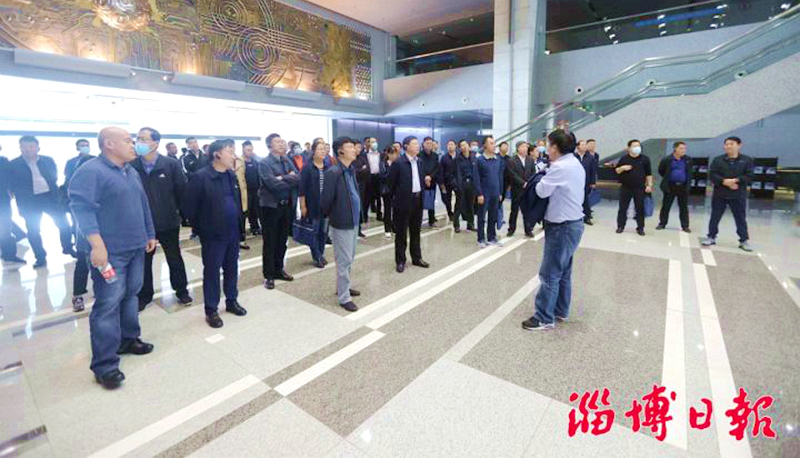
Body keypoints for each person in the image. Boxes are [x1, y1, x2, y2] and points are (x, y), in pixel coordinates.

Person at [69, 126, 157, 389]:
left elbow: (142, 204)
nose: (134, 145)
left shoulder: (130, 171)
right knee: (108, 304)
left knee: (131, 294)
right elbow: (82, 210)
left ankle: (128, 339)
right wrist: (97, 245)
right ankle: (105, 365)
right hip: (111, 252)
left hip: (135, 247)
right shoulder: (91, 172)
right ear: (109, 144)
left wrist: (149, 233)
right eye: (128, 141)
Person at [522, 129, 585, 331]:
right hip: (573, 223)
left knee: (549, 273)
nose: (546, 148)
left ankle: (543, 317)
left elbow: (541, 191)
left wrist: (540, 176)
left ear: (555, 147)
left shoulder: (559, 167)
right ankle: (560, 310)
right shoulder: (575, 163)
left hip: (561, 226)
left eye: (548, 145)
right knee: (563, 271)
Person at [183, 139, 248, 328]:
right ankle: (211, 310)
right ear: (217, 154)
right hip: (212, 235)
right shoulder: (201, 177)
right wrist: (203, 228)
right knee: (212, 272)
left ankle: (231, 301)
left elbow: (235, 201)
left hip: (232, 231)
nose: (233, 156)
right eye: (230, 151)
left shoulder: (230, 175)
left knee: (232, 268)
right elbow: (189, 208)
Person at [130, 127, 193, 311]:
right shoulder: (132, 165)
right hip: (142, 224)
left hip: (168, 221)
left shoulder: (170, 164)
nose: (139, 142)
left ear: (155, 143)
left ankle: (181, 291)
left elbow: (182, 191)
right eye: (138, 138)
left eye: (144, 139)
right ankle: (144, 295)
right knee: (144, 262)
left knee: (174, 257)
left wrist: (180, 215)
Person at [7, 136, 76, 268]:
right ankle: (40, 257)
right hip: (29, 202)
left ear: (38, 147)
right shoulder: (13, 164)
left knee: (64, 225)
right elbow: (11, 184)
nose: (27, 150)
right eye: (24, 147)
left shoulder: (48, 160)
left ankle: (67, 247)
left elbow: (54, 176)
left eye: (31, 146)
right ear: (20, 148)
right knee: (33, 231)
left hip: (50, 198)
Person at [321, 137, 362, 312]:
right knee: (344, 260)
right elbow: (325, 201)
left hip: (353, 221)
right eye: (350, 147)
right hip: (341, 223)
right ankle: (344, 297)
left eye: (354, 147)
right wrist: (333, 218)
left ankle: (344, 287)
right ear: (340, 151)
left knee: (349, 258)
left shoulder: (350, 170)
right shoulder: (334, 172)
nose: (354, 149)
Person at [259, 133, 299, 290]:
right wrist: (288, 177)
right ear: (269, 146)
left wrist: (282, 178)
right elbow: (272, 184)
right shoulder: (264, 163)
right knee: (270, 242)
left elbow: (298, 178)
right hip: (270, 207)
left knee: (282, 240)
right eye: (278, 142)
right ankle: (269, 275)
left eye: (283, 141)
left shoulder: (286, 160)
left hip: (286, 205)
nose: (282, 144)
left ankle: (278, 269)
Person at [702, 137, 755, 251]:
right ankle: (711, 236)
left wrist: (736, 180)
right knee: (715, 216)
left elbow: (750, 176)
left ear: (739, 145)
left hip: (738, 194)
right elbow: (712, 174)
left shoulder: (746, 160)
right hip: (720, 193)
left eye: (731, 144)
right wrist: (724, 181)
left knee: (740, 218)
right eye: (726, 144)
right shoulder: (718, 160)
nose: (728, 146)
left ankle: (743, 240)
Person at [389, 136, 430, 273]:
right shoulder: (398, 163)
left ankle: (417, 258)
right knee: (401, 233)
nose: (418, 146)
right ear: (406, 146)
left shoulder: (420, 162)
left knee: (416, 231)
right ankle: (400, 260)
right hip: (403, 202)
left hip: (418, 200)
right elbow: (391, 184)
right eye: (414, 144)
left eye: (418, 144)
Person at [65, 141, 96, 312]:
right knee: (83, 263)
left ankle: (103, 291)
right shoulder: (77, 190)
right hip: (85, 235)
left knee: (103, 265)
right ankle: (77, 295)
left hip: (104, 235)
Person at [300, 139, 330, 268]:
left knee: (323, 233)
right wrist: (303, 206)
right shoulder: (307, 167)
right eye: (320, 149)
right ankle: (316, 256)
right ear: (313, 151)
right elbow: (302, 189)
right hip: (312, 205)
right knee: (314, 232)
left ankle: (321, 254)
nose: (323, 151)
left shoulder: (328, 167)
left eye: (324, 149)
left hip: (326, 206)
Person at [615, 140, 653, 236]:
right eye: (635, 146)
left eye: (638, 146)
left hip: (639, 188)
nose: (637, 148)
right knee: (623, 208)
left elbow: (649, 174)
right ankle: (620, 226)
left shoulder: (645, 159)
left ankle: (640, 227)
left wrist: (649, 185)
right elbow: (617, 170)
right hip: (626, 187)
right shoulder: (624, 159)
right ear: (629, 148)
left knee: (640, 208)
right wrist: (623, 168)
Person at [474, 136, 505, 248]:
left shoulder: (498, 160)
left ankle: (492, 237)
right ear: (485, 146)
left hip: (495, 193)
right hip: (484, 193)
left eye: (494, 143)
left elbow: (500, 177)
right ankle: (481, 238)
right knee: (481, 217)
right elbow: (476, 178)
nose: (494, 145)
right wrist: (479, 194)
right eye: (491, 143)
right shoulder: (480, 160)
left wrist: (500, 192)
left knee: (493, 216)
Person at [656, 141, 693, 233]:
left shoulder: (688, 160)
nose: (683, 150)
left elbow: (689, 172)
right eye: (681, 148)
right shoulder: (667, 159)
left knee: (683, 207)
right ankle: (662, 223)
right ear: (675, 149)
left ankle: (685, 226)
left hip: (683, 186)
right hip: (670, 186)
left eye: (684, 148)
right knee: (666, 206)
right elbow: (661, 170)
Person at [0, 151, 26, 266]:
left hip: (2, 199)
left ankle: (9, 255)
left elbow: (10, 178)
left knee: (5, 227)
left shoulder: (3, 161)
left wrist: (11, 190)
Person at [506, 141, 536, 237]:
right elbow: (512, 174)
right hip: (517, 189)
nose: (525, 149)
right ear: (518, 148)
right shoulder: (512, 160)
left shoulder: (530, 160)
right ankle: (511, 229)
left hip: (528, 189)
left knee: (527, 211)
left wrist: (529, 183)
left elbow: (533, 172)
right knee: (514, 210)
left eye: (526, 147)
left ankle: (528, 230)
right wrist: (523, 183)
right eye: (522, 147)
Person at [454, 140, 477, 233]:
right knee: (459, 205)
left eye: (465, 145)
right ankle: (456, 225)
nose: (464, 147)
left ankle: (470, 224)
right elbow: (456, 173)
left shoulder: (474, 157)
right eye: (462, 145)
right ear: (460, 148)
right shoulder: (457, 159)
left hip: (471, 183)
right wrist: (458, 185)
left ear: (468, 145)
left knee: (470, 205)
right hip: (462, 184)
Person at [575, 140, 598, 225]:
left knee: (585, 200)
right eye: (582, 145)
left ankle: (587, 217)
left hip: (586, 182)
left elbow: (593, 170)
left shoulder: (590, 157)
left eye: (585, 145)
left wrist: (593, 182)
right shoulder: (573, 156)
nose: (584, 146)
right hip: (575, 182)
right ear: (578, 146)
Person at [420, 137, 440, 227]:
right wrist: (425, 177)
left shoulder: (435, 155)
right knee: (420, 202)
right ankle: (418, 221)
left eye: (431, 143)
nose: (429, 145)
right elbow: (419, 167)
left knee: (431, 200)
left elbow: (437, 168)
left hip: (432, 181)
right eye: (427, 143)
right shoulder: (419, 155)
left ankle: (431, 220)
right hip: (422, 181)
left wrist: (430, 177)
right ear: (423, 144)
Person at [242, 141, 261, 235]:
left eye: (251, 150)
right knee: (246, 210)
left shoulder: (255, 162)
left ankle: (255, 227)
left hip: (256, 189)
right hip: (245, 191)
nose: (250, 152)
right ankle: (241, 230)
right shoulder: (240, 162)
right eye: (248, 150)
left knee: (255, 210)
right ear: (243, 150)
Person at [379, 147, 398, 238]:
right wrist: (391, 171)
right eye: (392, 154)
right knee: (387, 210)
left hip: (396, 189)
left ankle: (394, 226)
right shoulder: (383, 163)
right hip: (386, 189)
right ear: (388, 154)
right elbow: (383, 176)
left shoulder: (398, 163)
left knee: (396, 209)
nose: (393, 156)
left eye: (395, 154)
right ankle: (387, 228)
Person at [233, 148, 250, 251]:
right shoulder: (221, 163)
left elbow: (244, 176)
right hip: (229, 192)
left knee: (242, 216)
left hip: (241, 190)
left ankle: (241, 239)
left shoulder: (240, 160)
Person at [438, 140, 458, 223]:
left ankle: (457, 213)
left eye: (452, 144)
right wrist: (441, 183)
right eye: (448, 144)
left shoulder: (459, 157)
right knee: (447, 199)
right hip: (447, 182)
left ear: (455, 146)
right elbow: (441, 171)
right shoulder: (444, 158)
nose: (450, 146)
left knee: (459, 198)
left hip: (457, 181)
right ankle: (450, 213)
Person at [353, 140, 369, 234]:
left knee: (360, 207)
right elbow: (354, 172)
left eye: (360, 147)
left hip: (362, 185)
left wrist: (362, 170)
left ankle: (358, 228)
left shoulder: (362, 157)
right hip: (354, 185)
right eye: (358, 147)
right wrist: (361, 170)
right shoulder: (351, 159)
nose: (359, 149)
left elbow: (367, 168)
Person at [366, 137, 383, 221]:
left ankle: (379, 215)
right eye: (372, 142)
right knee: (367, 197)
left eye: (375, 142)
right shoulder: (366, 155)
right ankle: (365, 215)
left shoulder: (380, 154)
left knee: (378, 197)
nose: (374, 144)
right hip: (369, 177)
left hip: (378, 177)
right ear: (369, 143)